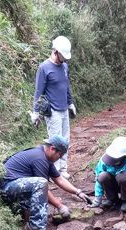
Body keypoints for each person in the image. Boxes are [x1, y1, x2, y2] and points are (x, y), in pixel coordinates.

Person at [0, 135, 90, 230]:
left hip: (15, 186)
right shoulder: (39, 158)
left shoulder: (45, 157)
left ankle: (26, 213)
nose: (59, 159)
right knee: (41, 183)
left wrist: (78, 192)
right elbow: (43, 187)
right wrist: (60, 206)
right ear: (52, 149)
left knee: (41, 189)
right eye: (59, 155)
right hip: (6, 188)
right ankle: (36, 227)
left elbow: (59, 179)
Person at [30, 36, 76, 179]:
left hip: (64, 109)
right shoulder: (44, 68)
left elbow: (66, 87)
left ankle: (63, 168)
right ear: (55, 52)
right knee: (55, 143)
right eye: (62, 55)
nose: (65, 59)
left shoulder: (64, 66)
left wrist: (70, 103)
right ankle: (54, 171)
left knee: (66, 140)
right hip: (53, 111)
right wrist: (36, 112)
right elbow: (38, 91)